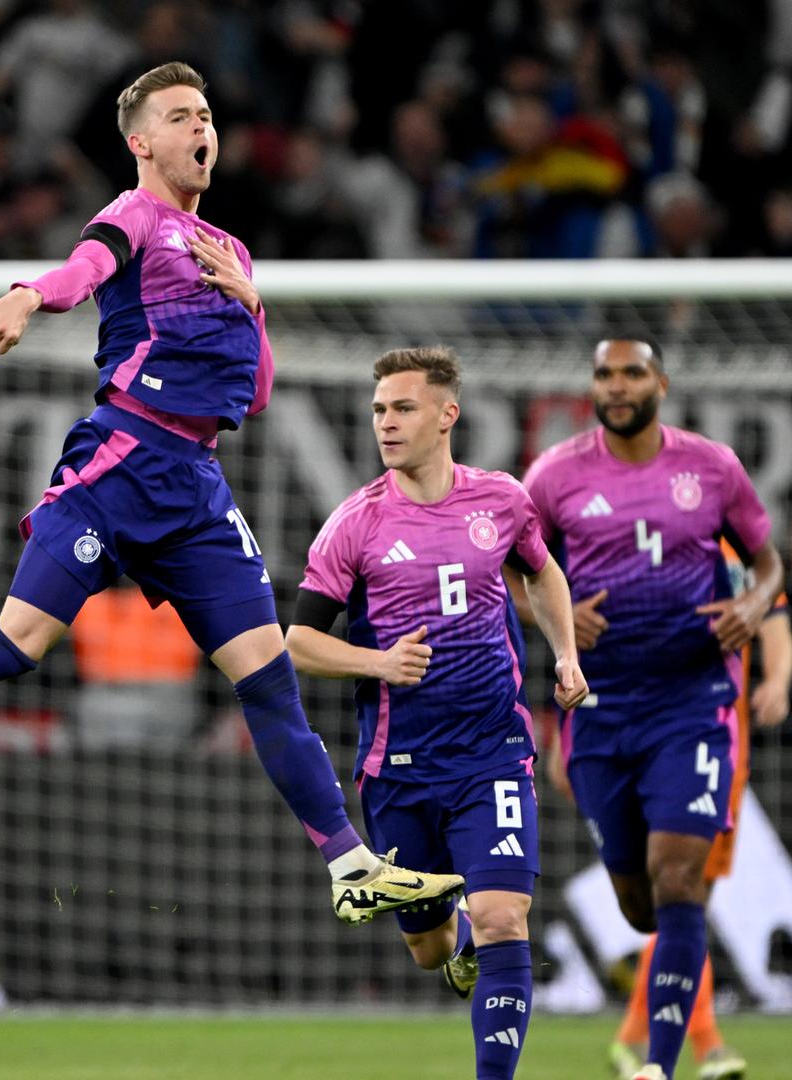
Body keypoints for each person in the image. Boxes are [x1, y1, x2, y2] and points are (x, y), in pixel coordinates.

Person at [0, 61, 463, 924]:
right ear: (142, 141)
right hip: (121, 459)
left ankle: (349, 866)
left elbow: (257, 396)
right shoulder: (134, 217)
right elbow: (84, 268)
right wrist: (30, 293)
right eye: (183, 115)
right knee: (16, 646)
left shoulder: (230, 251)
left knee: (269, 680)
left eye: (208, 113)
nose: (203, 128)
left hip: (195, 483)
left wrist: (252, 304)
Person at [286, 347, 589, 1080]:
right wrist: (378, 663)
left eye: (403, 408)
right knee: (429, 947)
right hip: (400, 770)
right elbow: (295, 641)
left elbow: (542, 571)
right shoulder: (354, 524)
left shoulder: (501, 500)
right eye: (379, 410)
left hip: (492, 755)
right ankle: (450, 951)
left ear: (447, 415)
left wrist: (566, 653)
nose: (386, 424)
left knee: (502, 919)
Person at [521, 336, 784, 1080]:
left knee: (678, 882)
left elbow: (768, 565)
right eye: (604, 373)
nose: (617, 385)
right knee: (641, 903)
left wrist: (753, 607)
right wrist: (561, 622)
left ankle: (660, 1067)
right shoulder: (555, 475)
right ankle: (669, 1026)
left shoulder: (712, 466)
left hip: (692, 701)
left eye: (632, 372)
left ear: (661, 382)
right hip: (599, 708)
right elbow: (515, 573)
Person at [595, 540, 792, 1080]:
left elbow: (776, 626)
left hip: (723, 749)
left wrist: (776, 681)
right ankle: (702, 1045)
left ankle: (636, 1042)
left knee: (683, 896)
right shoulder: (644, 539)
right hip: (656, 743)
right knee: (679, 893)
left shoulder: (739, 552)